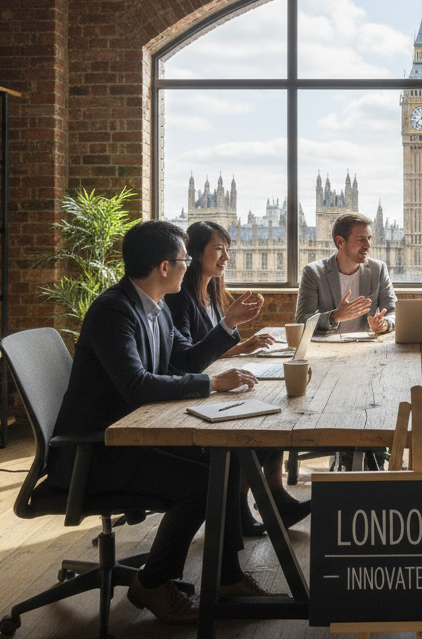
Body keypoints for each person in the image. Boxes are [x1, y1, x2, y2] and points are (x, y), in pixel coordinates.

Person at [50, 220, 282, 626]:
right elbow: (137, 385)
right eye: (183, 259)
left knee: (222, 461)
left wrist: (227, 326)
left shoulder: (155, 306)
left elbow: (187, 360)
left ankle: (226, 578)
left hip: (134, 437)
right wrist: (212, 383)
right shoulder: (114, 311)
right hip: (97, 453)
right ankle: (152, 583)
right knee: (200, 484)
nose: (188, 265)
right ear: (163, 266)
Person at [166, 220, 311, 538]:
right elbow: (187, 360)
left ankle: (273, 498)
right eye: (218, 249)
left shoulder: (211, 292)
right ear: (193, 253)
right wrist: (229, 324)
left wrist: (242, 345)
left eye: (227, 250)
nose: (226, 257)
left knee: (272, 413)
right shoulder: (179, 299)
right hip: (193, 396)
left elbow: (207, 351)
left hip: (211, 385)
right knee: (258, 431)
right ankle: (242, 507)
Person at [295, 212, 395, 335]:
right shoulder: (313, 273)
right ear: (340, 242)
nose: (368, 246)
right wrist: (334, 316)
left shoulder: (378, 269)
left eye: (369, 239)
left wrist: (384, 324)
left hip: (365, 347)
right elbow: (301, 320)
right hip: (327, 348)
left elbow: (393, 312)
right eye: (361, 239)